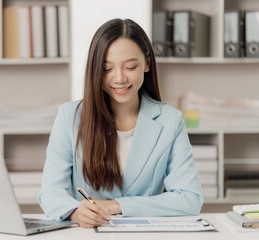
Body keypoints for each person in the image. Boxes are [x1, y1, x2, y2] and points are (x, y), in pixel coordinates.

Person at [39, 18, 203, 228]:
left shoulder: (170, 120)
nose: (119, 78)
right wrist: (76, 213)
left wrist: (116, 205)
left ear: (147, 64)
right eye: (107, 69)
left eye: (130, 66)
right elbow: (51, 193)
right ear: (95, 70)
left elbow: (190, 199)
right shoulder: (69, 116)